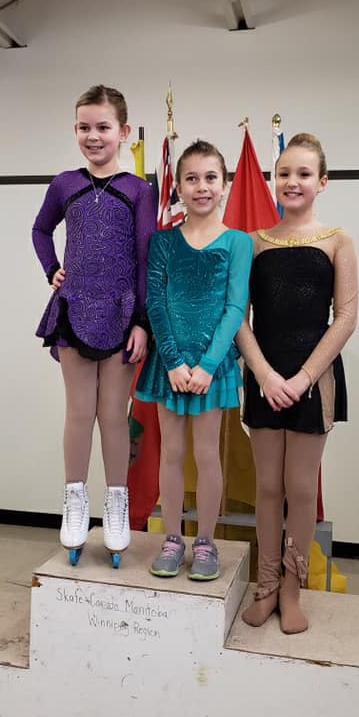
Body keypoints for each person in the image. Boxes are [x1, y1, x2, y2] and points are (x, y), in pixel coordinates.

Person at [236, 133, 358, 632]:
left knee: (300, 487)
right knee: (268, 486)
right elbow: (238, 317)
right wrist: (265, 374)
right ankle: (266, 584)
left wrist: (305, 376)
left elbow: (345, 317)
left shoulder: (338, 240)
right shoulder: (253, 243)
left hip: (315, 379)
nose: (293, 181)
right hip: (264, 376)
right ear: (273, 179)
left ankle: (292, 587)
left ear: (322, 182)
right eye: (284, 173)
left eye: (304, 174)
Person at [31, 85, 156, 564]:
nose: (93, 136)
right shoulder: (65, 184)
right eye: (84, 127)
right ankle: (75, 501)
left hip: (122, 314)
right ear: (75, 130)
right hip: (74, 310)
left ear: (123, 132)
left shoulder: (138, 190)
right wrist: (52, 268)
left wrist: (141, 321)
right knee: (79, 413)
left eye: (103, 127)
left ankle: (117, 504)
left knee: (113, 415)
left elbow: (145, 257)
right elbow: (41, 229)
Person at [135, 140, 253, 581]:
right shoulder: (163, 241)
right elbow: (156, 302)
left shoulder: (238, 242)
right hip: (169, 365)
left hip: (211, 367)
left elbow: (235, 308)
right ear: (179, 188)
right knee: (171, 452)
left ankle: (205, 541)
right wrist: (172, 361)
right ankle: (171, 538)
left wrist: (206, 365)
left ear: (224, 185)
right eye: (191, 179)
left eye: (210, 178)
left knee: (206, 455)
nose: (201, 187)